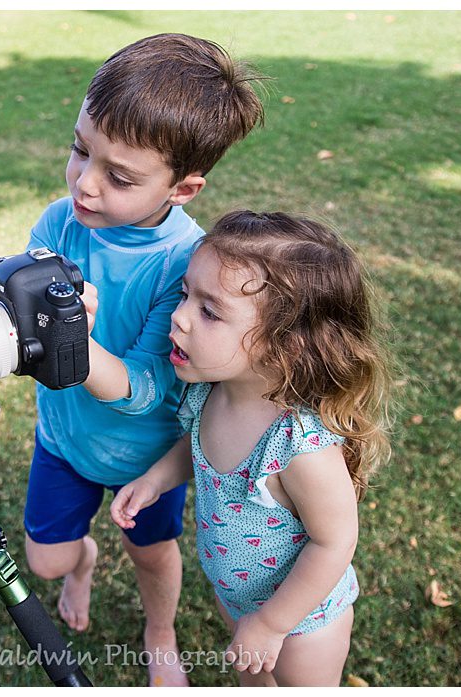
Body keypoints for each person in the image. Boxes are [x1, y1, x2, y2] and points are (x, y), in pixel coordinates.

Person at [0, 33, 266, 685]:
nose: (85, 184)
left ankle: (160, 632)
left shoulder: (187, 264)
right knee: (44, 561)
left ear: (183, 187)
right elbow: (22, 325)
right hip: (65, 439)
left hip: (145, 457)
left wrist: (77, 345)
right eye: (79, 149)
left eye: (119, 176)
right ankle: (83, 563)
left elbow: (150, 386)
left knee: (151, 552)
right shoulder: (59, 222)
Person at [112, 211, 385, 686]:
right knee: (253, 682)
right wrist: (154, 480)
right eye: (185, 295)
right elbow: (195, 448)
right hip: (237, 597)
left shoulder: (300, 446)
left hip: (303, 625)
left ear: (285, 347)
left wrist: (272, 624)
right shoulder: (210, 392)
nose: (178, 317)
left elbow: (335, 541)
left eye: (209, 311)